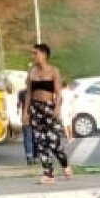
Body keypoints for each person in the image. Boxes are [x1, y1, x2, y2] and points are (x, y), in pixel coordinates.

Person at [22, 43, 71, 184]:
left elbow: (58, 93)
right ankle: (48, 173)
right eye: (32, 53)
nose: (33, 56)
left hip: (49, 107)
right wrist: (25, 112)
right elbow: (28, 93)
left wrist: (57, 108)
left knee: (53, 141)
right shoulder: (31, 72)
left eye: (35, 53)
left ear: (44, 55)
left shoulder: (53, 71)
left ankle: (65, 163)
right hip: (35, 108)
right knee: (40, 141)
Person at [17, 88, 35, 164]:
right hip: (36, 117)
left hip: (26, 117)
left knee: (27, 138)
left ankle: (29, 157)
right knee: (35, 138)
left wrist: (21, 114)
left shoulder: (21, 92)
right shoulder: (37, 92)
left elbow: (19, 105)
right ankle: (36, 157)